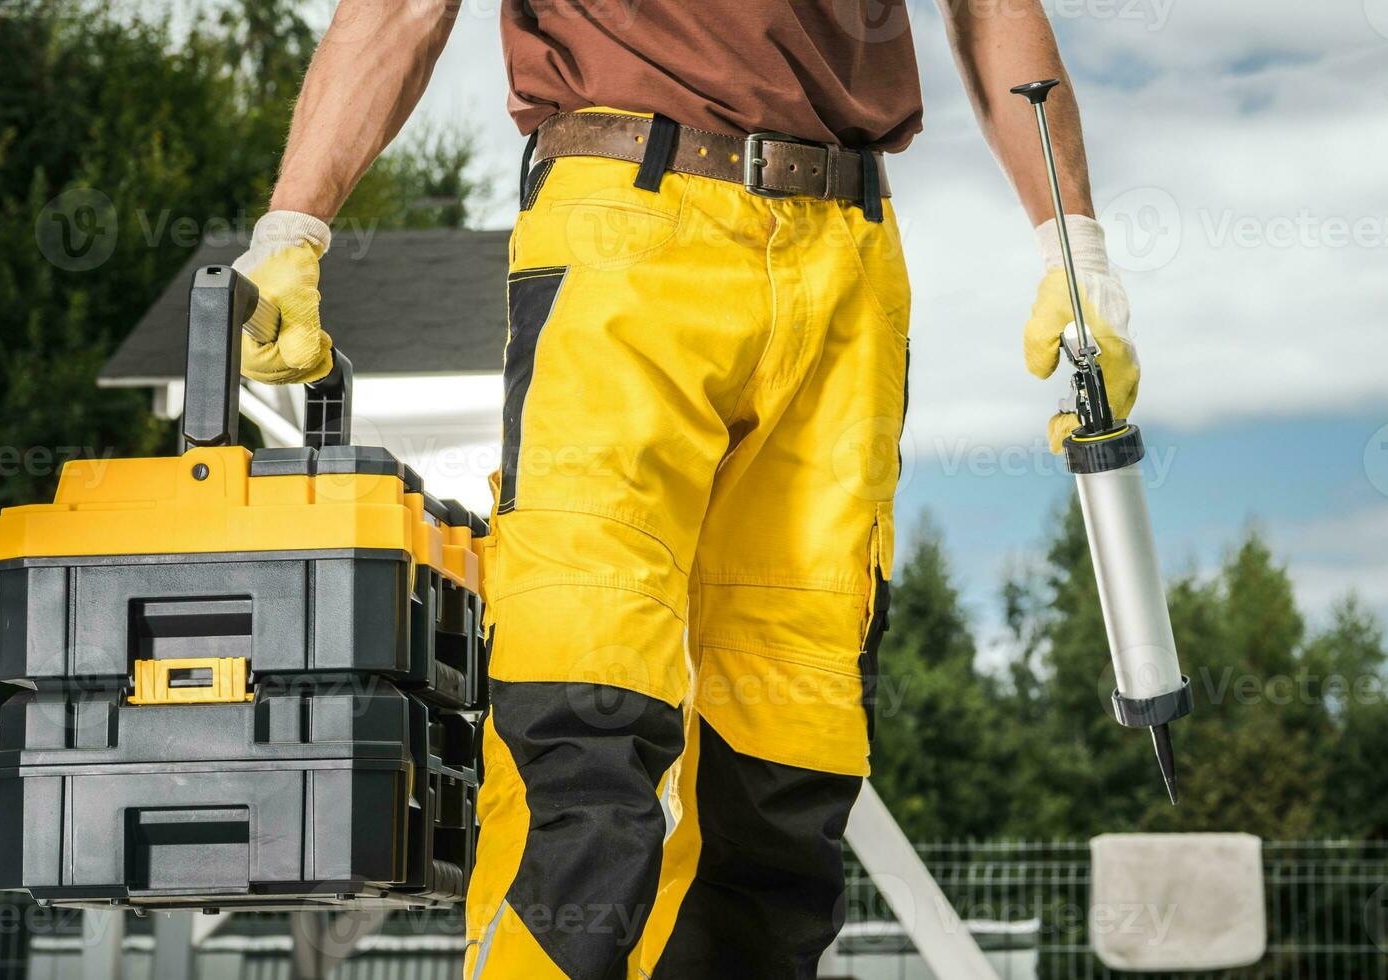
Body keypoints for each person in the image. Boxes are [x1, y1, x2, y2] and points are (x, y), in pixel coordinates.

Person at [234, 1, 1139, 976]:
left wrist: (1071, 245)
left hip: (847, 253)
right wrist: (295, 221)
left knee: (783, 762)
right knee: (584, 711)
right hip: (627, 223)